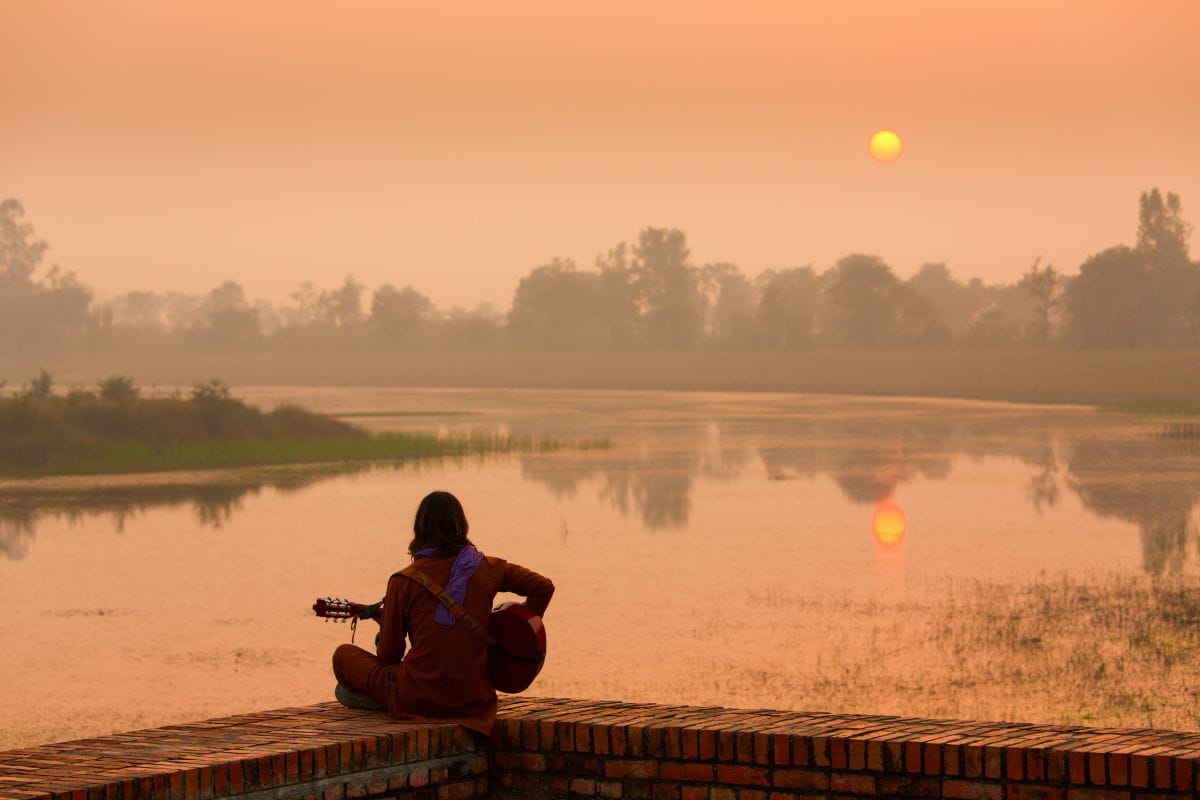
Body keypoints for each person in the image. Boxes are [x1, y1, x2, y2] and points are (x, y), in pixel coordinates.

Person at [331, 490, 554, 735]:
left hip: (417, 695)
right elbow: (543, 587)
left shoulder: (403, 581)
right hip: (474, 698)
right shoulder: (488, 567)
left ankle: (385, 701)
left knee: (343, 658)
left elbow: (389, 656)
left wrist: (386, 625)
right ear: (462, 525)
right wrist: (515, 635)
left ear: (419, 529)